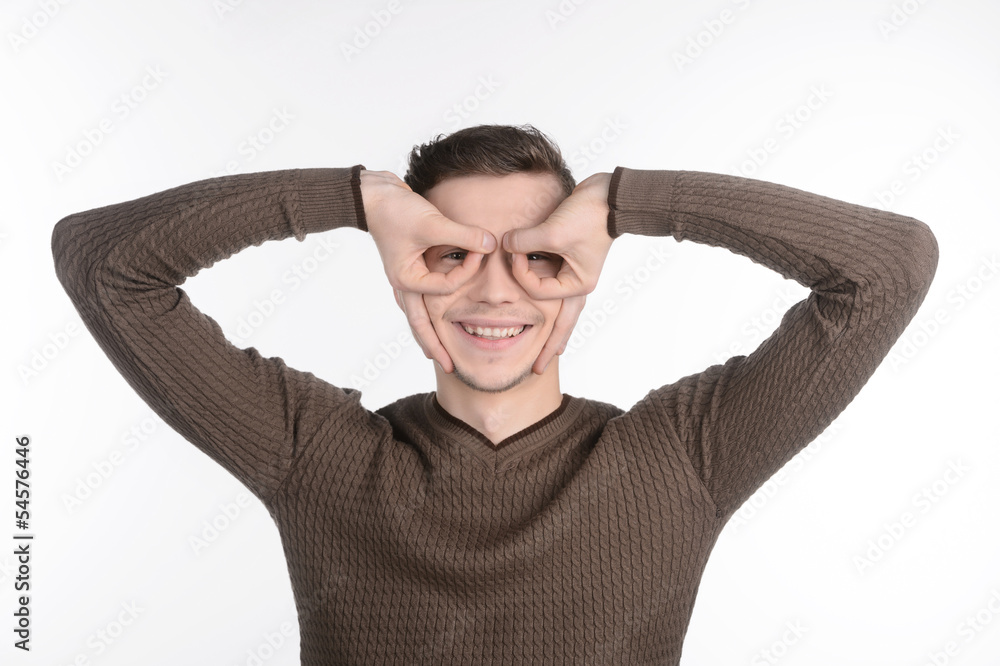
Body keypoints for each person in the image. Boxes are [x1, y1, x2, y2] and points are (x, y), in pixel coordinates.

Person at [51, 124, 938, 664]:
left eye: (538, 255)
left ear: (582, 270)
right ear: (405, 270)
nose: (496, 291)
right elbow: (101, 263)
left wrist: (628, 202)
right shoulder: (314, 455)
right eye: (454, 255)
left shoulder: (681, 459)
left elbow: (887, 269)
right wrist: (357, 199)